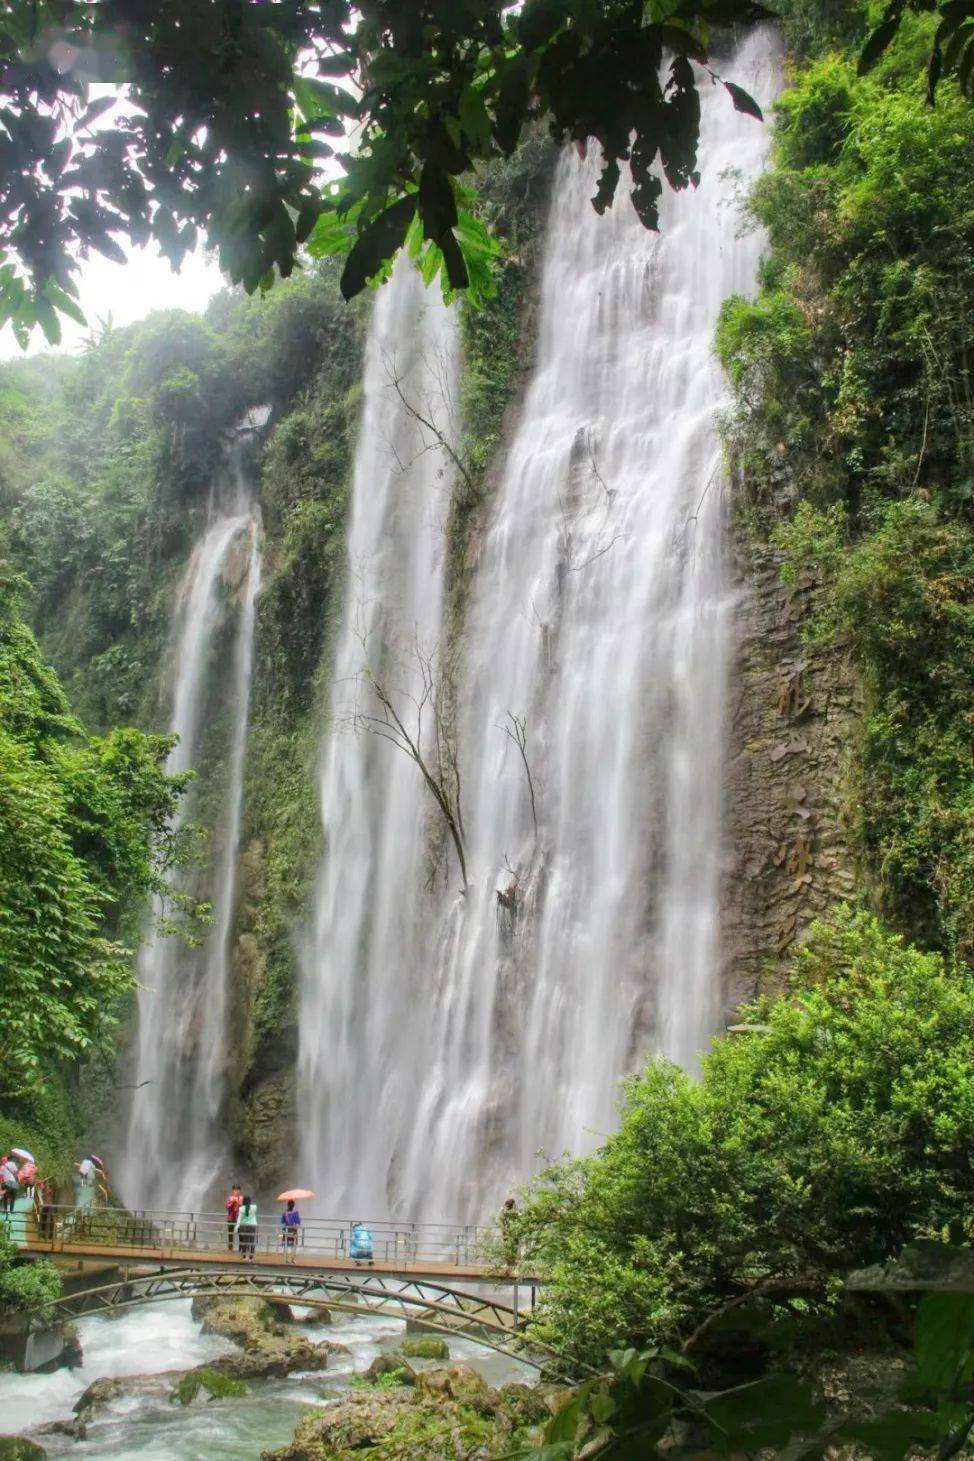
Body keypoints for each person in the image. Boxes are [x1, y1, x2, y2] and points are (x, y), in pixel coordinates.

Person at [235, 1195, 258, 1261]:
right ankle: (251, 1257)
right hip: (253, 1225)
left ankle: (244, 1257)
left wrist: (236, 1227)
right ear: (250, 1201)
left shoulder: (241, 1209)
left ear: (243, 1201)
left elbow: (239, 1219)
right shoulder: (254, 1207)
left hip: (244, 1226)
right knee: (252, 1241)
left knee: (245, 1241)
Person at [499, 1197, 519, 1272]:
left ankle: (511, 1264)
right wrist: (504, 1231)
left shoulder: (513, 1212)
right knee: (510, 1248)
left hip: (513, 1233)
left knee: (512, 1248)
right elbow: (501, 1221)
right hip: (509, 1234)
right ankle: (509, 1264)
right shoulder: (504, 1211)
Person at [280, 1199, 301, 1263]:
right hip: (293, 1230)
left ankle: (287, 1259)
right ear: (293, 1205)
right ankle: (292, 1259)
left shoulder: (284, 1213)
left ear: (288, 1205)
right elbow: (298, 1222)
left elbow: (282, 1222)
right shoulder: (296, 1212)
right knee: (294, 1246)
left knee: (286, 1245)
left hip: (286, 1230)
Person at [225, 1184, 242, 1252]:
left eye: (238, 1190)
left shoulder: (241, 1197)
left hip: (239, 1217)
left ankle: (241, 1248)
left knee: (240, 1232)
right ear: (233, 1190)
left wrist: (238, 1202)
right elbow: (227, 1206)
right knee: (230, 1233)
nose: (236, 1191)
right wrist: (232, 1202)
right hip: (231, 1217)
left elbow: (243, 1206)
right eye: (235, 1190)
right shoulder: (230, 1198)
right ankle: (230, 1248)